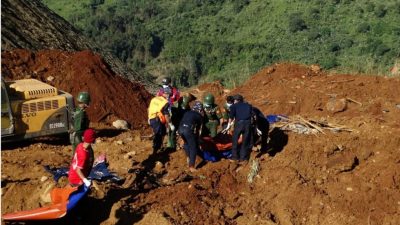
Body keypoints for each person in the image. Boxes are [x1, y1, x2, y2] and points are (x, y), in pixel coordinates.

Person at [223, 94, 253, 163]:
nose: (233, 101)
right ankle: (243, 159)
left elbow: (231, 117)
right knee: (245, 141)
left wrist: (228, 126)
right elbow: (252, 116)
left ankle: (235, 158)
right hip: (248, 124)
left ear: (236, 100)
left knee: (235, 140)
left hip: (239, 124)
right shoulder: (248, 105)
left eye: (234, 100)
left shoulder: (233, 106)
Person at [178, 101, 204, 172]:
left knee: (186, 143)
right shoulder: (199, 116)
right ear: (200, 109)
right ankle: (191, 166)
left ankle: (188, 158)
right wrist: (199, 139)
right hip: (187, 130)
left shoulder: (187, 112)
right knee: (193, 147)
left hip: (180, 129)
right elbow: (199, 130)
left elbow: (182, 121)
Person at [148, 87, 173, 153]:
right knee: (158, 135)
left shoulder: (154, 99)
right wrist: (170, 124)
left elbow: (149, 108)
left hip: (152, 118)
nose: (169, 97)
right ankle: (155, 151)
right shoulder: (165, 102)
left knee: (163, 132)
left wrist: (149, 118)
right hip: (157, 119)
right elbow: (166, 115)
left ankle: (159, 147)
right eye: (170, 95)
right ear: (167, 94)